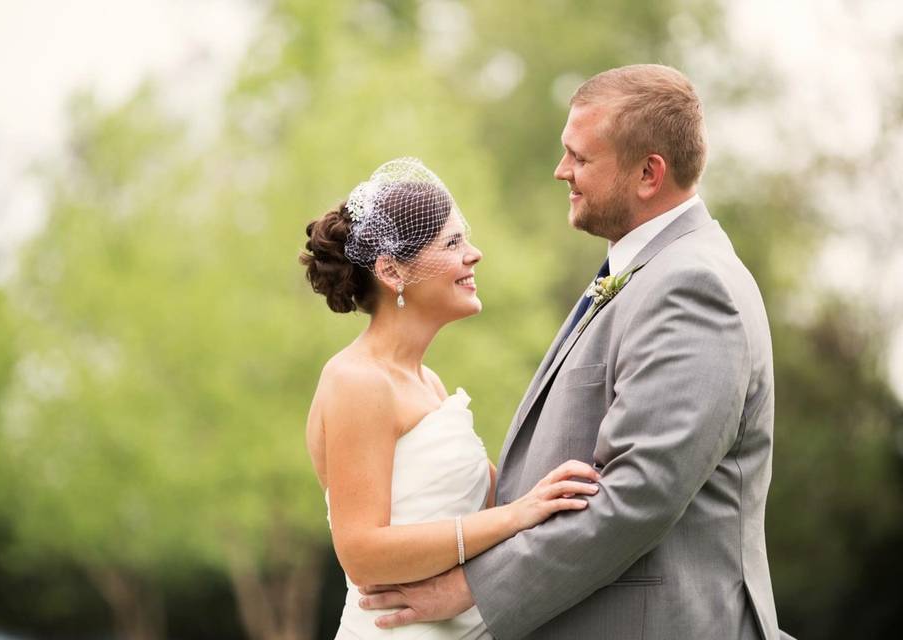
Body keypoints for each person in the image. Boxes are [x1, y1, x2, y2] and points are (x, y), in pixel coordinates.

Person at [358, 65, 795, 639]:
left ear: (648, 173)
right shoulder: (644, 271)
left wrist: (472, 589)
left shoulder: (693, 285)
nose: (562, 171)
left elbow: (640, 492)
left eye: (581, 158)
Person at [301, 158, 602, 639]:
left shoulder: (431, 384)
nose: (474, 254)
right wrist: (516, 514)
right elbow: (361, 552)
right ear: (392, 271)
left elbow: (490, 506)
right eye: (452, 242)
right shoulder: (356, 380)